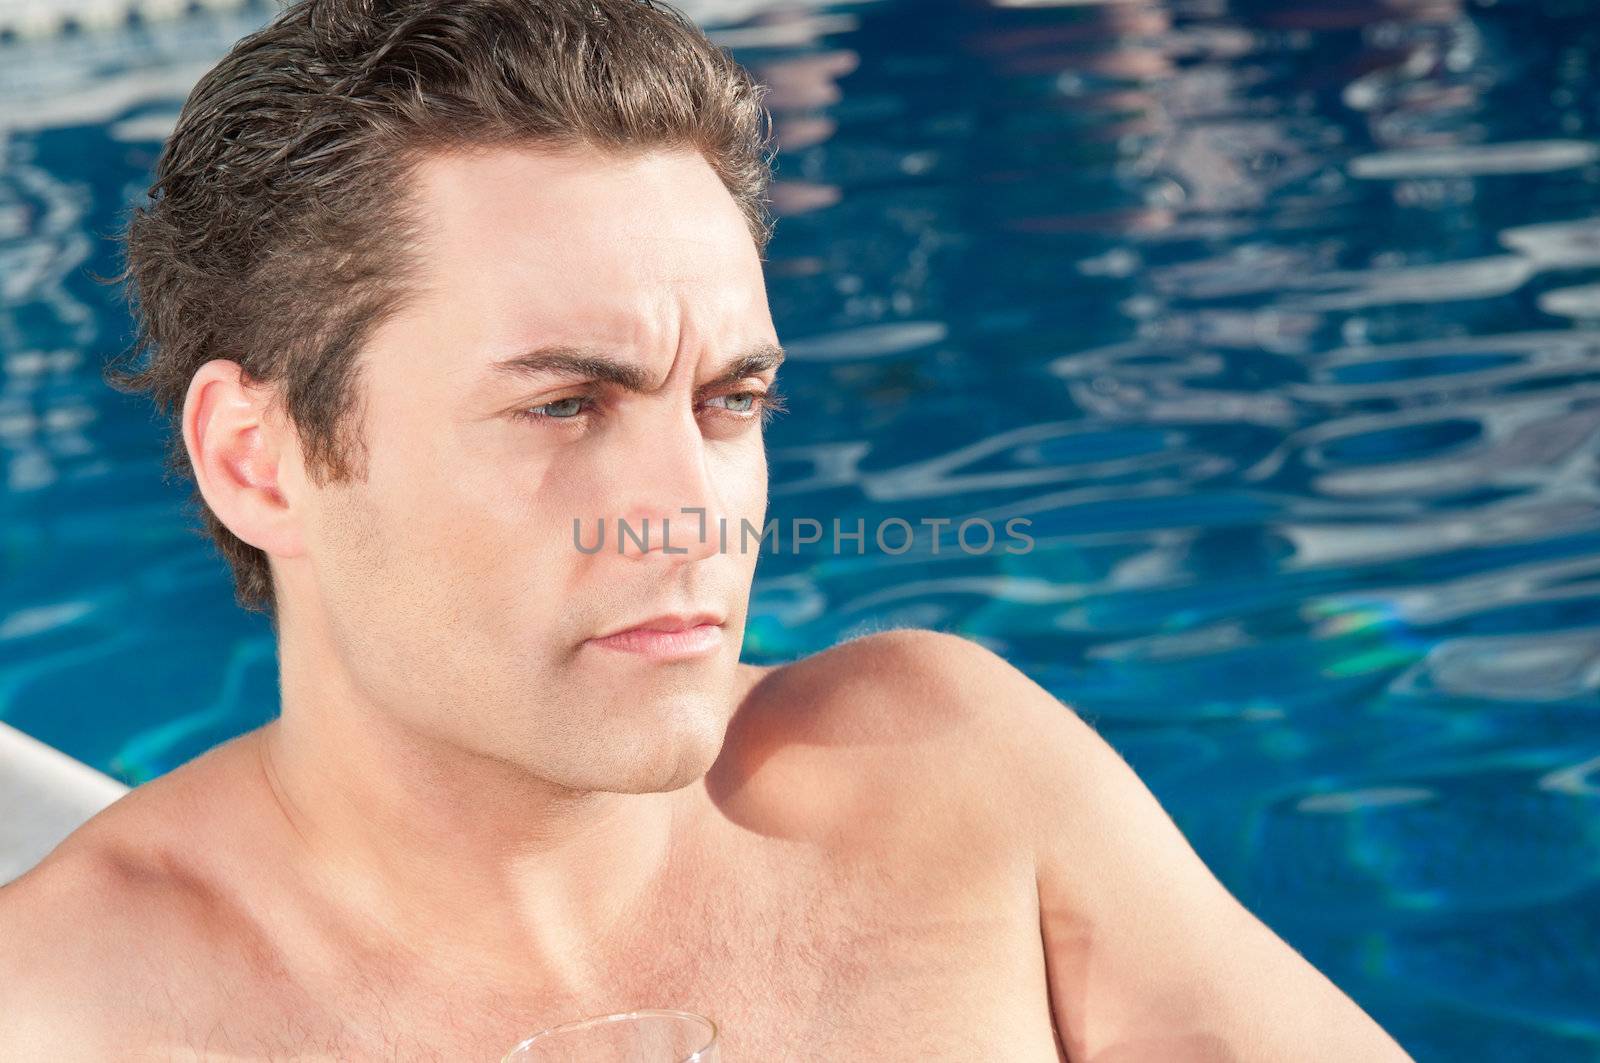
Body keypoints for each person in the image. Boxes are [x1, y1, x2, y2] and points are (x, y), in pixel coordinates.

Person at [0, 1, 1415, 1059]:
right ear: (260, 461)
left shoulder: (952, 782)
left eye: (731, 400)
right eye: (564, 406)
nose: (688, 513)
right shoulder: (77, 1012)